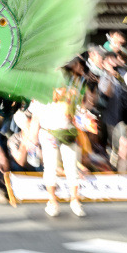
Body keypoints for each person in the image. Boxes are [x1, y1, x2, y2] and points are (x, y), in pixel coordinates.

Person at [31, 90, 86, 218]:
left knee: (72, 167)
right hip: (48, 133)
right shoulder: (40, 94)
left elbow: (79, 115)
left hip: (68, 134)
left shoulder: (72, 94)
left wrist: (84, 121)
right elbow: (35, 118)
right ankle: (52, 201)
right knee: (50, 168)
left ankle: (75, 200)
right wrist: (33, 139)